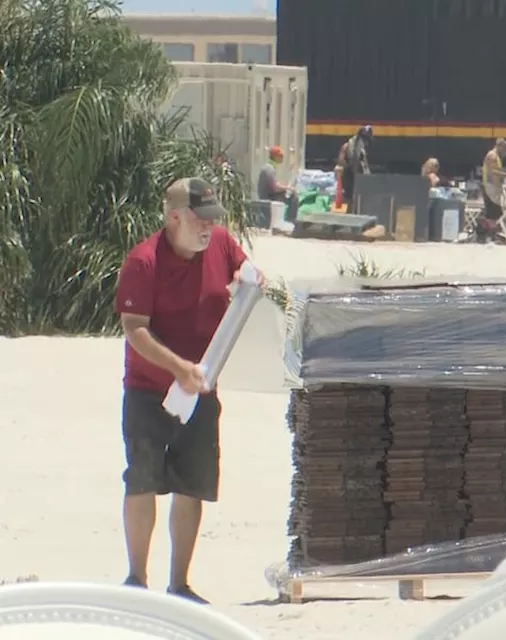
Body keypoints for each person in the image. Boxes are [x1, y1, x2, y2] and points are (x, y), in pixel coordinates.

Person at [114, 177, 264, 604]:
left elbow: (242, 270)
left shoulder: (219, 243)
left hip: (202, 388)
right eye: (199, 220)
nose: (207, 228)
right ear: (174, 217)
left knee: (191, 484)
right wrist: (178, 368)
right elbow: (134, 330)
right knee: (142, 481)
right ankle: (136, 582)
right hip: (148, 390)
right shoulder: (144, 261)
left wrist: (250, 276)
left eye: (212, 220)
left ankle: (179, 584)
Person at [478, 139, 506, 243]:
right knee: (493, 212)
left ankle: (487, 233)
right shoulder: (492, 156)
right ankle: (489, 234)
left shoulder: (496, 157)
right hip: (490, 186)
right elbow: (493, 171)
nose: (505, 152)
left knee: (494, 212)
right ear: (499, 146)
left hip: (494, 187)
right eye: (505, 149)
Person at [256, 146, 297, 221]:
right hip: (267, 197)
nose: (282, 158)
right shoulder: (269, 169)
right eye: (280, 156)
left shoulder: (271, 168)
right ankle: (290, 220)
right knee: (293, 197)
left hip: (270, 195)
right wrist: (288, 188)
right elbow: (275, 187)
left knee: (288, 194)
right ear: (275, 157)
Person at [335, 125, 373, 207]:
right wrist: (349, 165)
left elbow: (365, 167)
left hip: (359, 179)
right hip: (349, 178)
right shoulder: (348, 146)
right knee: (349, 200)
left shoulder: (362, 150)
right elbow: (340, 160)